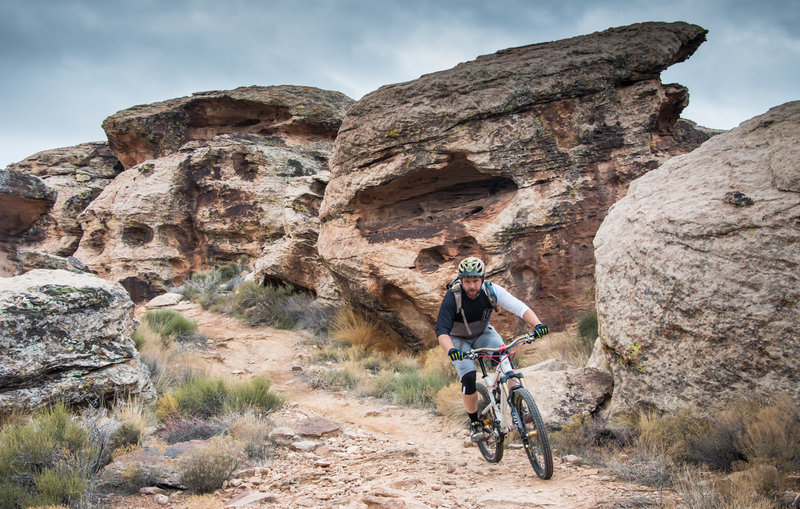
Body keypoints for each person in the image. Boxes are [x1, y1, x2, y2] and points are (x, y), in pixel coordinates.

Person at [435, 256, 549, 442]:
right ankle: (474, 422)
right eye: (467, 281)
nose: (472, 286)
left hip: (483, 333)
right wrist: (451, 350)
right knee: (469, 376)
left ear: (483, 279)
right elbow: (441, 331)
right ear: (461, 280)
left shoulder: (492, 291)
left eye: (475, 281)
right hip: (458, 338)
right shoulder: (452, 297)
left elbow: (520, 308)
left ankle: (520, 406)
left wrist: (537, 325)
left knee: (506, 365)